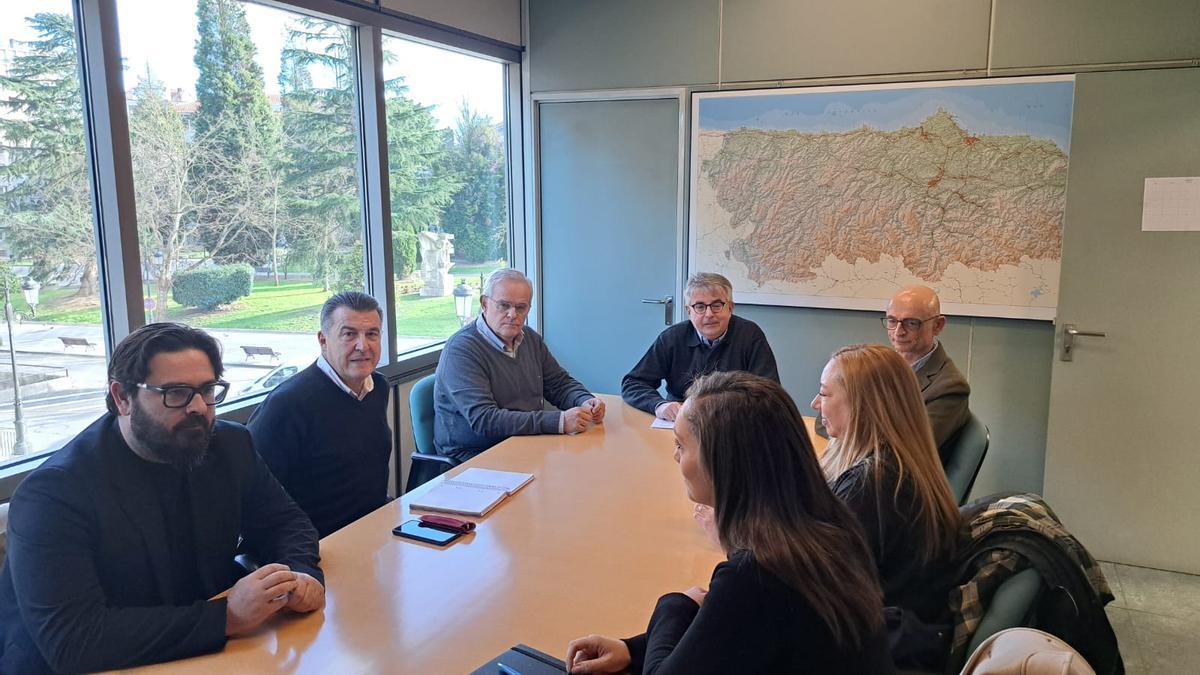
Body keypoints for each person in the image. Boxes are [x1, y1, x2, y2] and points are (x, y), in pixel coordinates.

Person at [0, 323, 324, 674]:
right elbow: (75, 640)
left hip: (199, 651)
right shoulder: (52, 494)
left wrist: (300, 575)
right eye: (176, 393)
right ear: (123, 398)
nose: (199, 407)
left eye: (208, 389)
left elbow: (284, 522)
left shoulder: (229, 445)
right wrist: (226, 616)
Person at [567, 372, 893, 674]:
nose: (676, 457)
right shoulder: (829, 526)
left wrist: (676, 604)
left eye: (681, 445)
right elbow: (729, 640)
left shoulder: (756, 575)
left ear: (723, 463)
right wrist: (633, 649)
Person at [812, 343, 960, 625]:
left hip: (871, 639)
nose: (816, 404)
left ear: (860, 405)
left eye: (823, 393)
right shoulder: (898, 465)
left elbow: (819, 580)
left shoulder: (871, 486)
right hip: (892, 621)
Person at [248, 291, 390, 538]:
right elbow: (255, 499)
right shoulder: (289, 403)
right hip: (316, 545)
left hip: (373, 530)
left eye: (372, 334)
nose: (362, 345)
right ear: (323, 340)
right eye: (349, 334)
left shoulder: (377, 387)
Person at [434, 268, 605, 463]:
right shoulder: (461, 350)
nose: (512, 314)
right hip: (476, 458)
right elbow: (484, 420)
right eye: (504, 305)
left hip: (526, 443)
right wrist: (558, 422)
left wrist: (583, 400)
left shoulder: (530, 339)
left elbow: (558, 383)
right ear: (484, 303)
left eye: (521, 307)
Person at [815, 284, 971, 455]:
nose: (898, 331)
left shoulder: (949, 387)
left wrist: (850, 425)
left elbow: (904, 451)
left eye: (911, 323)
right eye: (892, 321)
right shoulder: (881, 366)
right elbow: (824, 423)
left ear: (938, 325)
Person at [621, 272, 779, 421]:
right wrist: (659, 405)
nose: (709, 314)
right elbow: (633, 383)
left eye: (717, 305)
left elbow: (769, 393)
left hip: (732, 422)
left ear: (730, 307)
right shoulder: (672, 338)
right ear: (688, 311)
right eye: (700, 306)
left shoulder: (750, 335)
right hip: (682, 422)